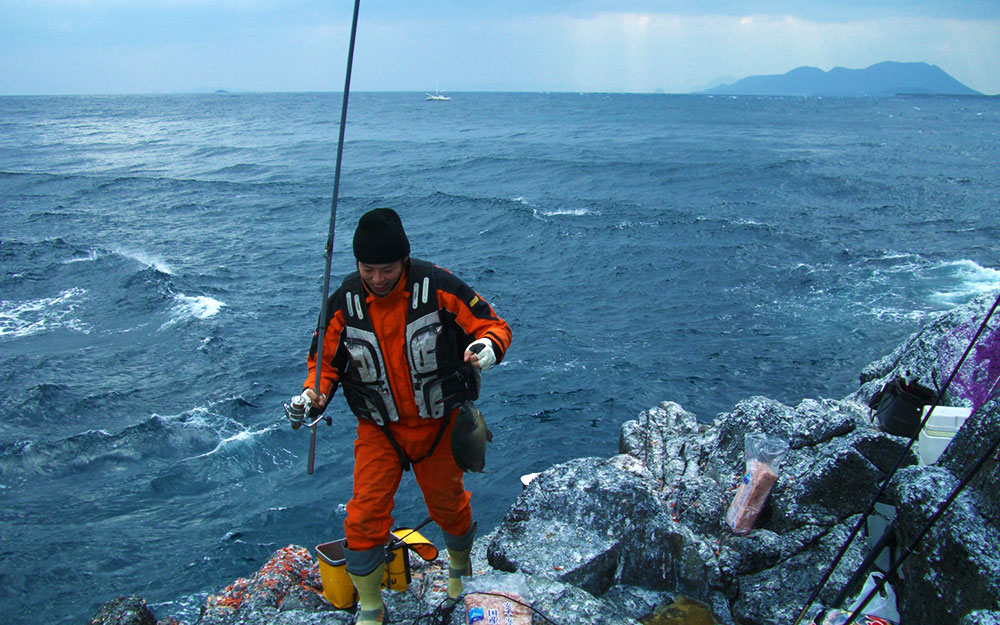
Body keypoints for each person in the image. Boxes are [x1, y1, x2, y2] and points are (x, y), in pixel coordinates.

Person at [298, 207, 512, 625]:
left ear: (405, 260)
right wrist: (314, 395)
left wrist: (489, 347)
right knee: (364, 517)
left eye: (387, 268)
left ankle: (458, 571)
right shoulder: (343, 302)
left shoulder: (439, 287)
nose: (377, 278)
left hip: (439, 426)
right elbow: (322, 362)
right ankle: (372, 609)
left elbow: (493, 324)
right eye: (368, 268)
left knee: (449, 505)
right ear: (357, 264)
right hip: (380, 432)